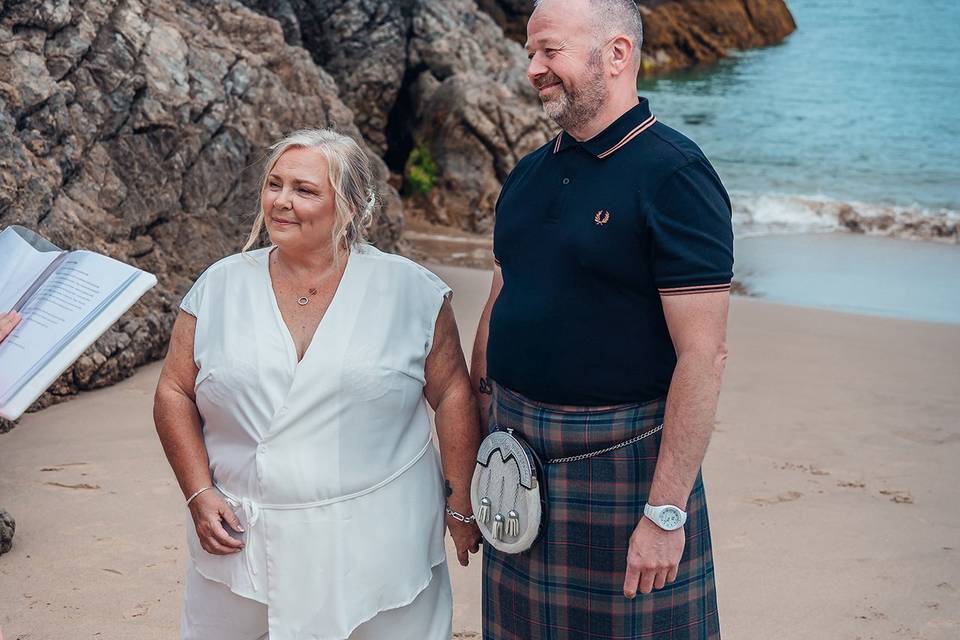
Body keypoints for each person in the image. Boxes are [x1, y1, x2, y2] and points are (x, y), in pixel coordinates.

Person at [154, 128, 483, 640]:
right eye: (274, 184)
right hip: (242, 542)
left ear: (349, 207)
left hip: (379, 542)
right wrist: (197, 491)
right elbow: (174, 391)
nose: (282, 201)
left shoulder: (410, 292)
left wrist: (461, 504)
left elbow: (452, 393)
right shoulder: (218, 286)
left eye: (304, 190)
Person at [471, 0, 733, 638]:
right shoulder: (528, 176)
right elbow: (502, 297)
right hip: (517, 456)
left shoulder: (675, 176)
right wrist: (481, 451)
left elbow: (703, 357)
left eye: (549, 51)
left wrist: (666, 513)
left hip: (624, 468)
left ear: (616, 55)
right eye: (530, 52)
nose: (533, 68)